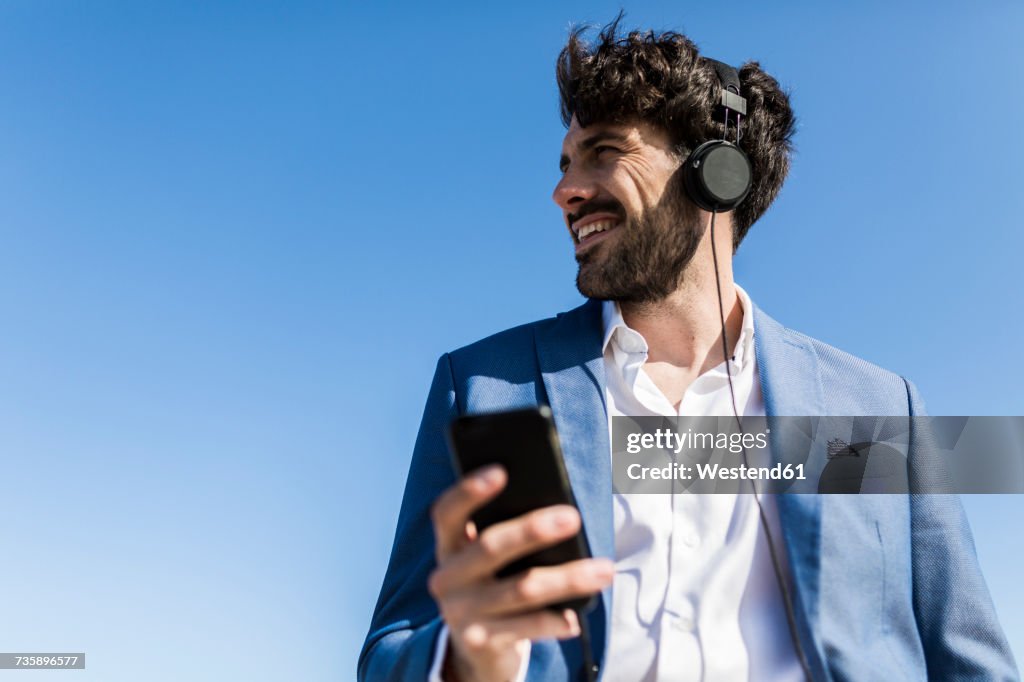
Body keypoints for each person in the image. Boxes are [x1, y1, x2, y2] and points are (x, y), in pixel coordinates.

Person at [358, 18, 1018, 682]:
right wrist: (467, 657)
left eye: (604, 151)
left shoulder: (879, 407)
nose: (564, 191)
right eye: (564, 164)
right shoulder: (479, 383)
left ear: (714, 175)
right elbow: (392, 647)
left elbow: (969, 658)